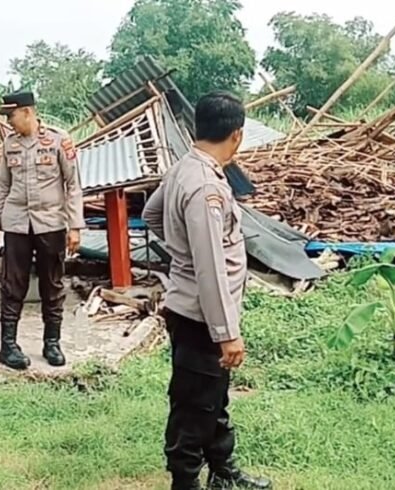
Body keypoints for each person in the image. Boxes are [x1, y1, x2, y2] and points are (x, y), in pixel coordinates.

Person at [142, 91, 272, 490]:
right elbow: (211, 269)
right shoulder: (205, 188)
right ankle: (186, 483)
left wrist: (180, 250)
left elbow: (151, 214)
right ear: (237, 135)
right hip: (202, 318)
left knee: (212, 399)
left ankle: (223, 471)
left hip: (193, 310)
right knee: (192, 408)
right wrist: (226, 333)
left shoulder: (185, 167)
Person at [0, 91, 85, 370]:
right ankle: (8, 346)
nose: (9, 122)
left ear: (27, 112)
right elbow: (3, 185)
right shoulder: (10, 144)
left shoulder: (57, 140)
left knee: (51, 284)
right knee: (11, 284)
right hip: (16, 223)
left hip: (51, 223)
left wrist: (75, 226)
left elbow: (73, 185)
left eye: (12, 115)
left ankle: (52, 342)